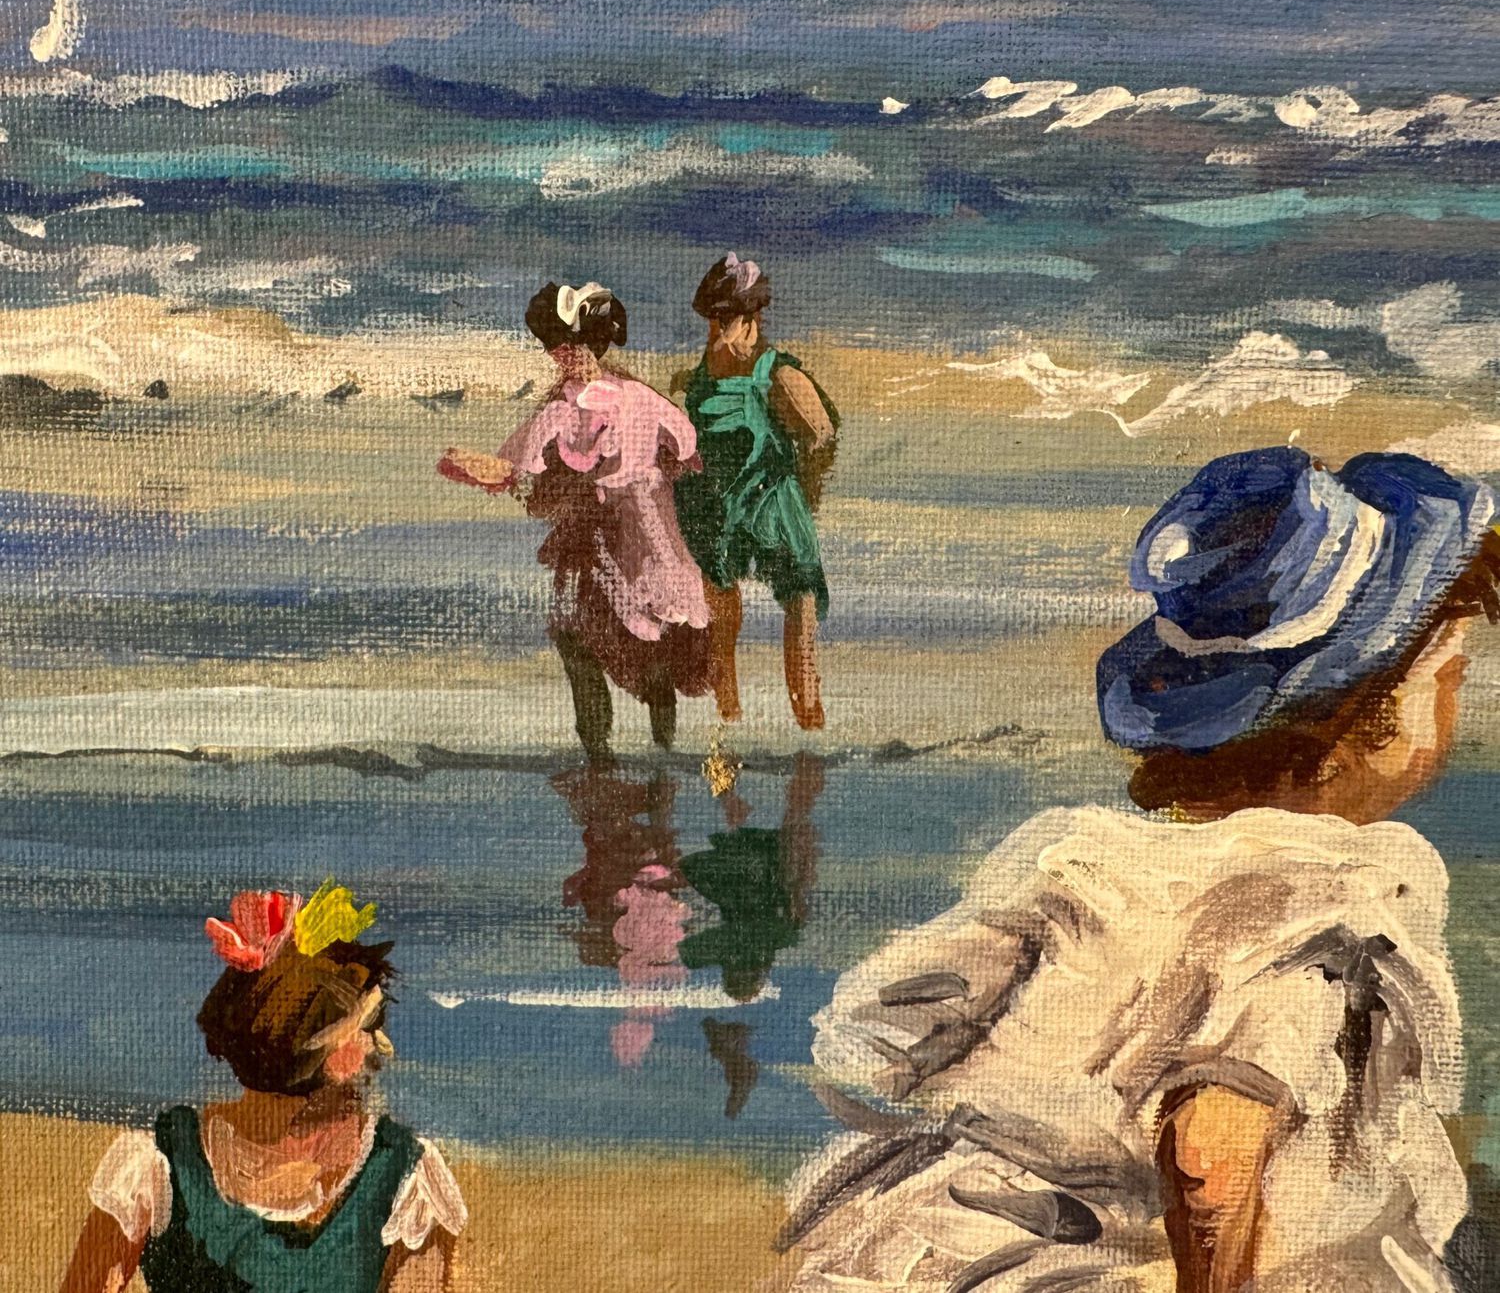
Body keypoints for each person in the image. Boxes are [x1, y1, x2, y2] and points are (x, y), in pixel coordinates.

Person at [780, 446, 1499, 1293]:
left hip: (940, 1247)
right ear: (1363, 717)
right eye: (1448, 675)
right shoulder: (1319, 905)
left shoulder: (1086, 867)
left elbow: (881, 1031)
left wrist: (1052, 1118)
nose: (1454, 702)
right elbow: (1208, 1162)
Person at [61, 881, 466, 1293]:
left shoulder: (405, 1176)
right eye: (368, 1026)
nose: (381, 1045)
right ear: (308, 1042)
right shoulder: (159, 1163)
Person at [441, 281, 711, 760]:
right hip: (593, 543)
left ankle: (660, 754)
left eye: (574, 345)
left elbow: (688, 447)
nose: (565, 356)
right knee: (576, 636)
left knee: (646, 648)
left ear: (596, 343)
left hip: (643, 537)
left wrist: (655, 480)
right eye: (557, 347)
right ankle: (599, 750)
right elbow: (516, 466)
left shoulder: (637, 398)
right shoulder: (559, 409)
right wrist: (474, 466)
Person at [675, 253, 839, 730]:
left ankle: (809, 723)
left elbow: (822, 436)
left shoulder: (778, 374)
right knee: (721, 620)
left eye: (727, 318)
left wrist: (803, 490)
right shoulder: (698, 380)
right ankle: (729, 724)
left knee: (800, 607)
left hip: (773, 501)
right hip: (717, 507)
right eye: (713, 319)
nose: (717, 330)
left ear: (752, 318)